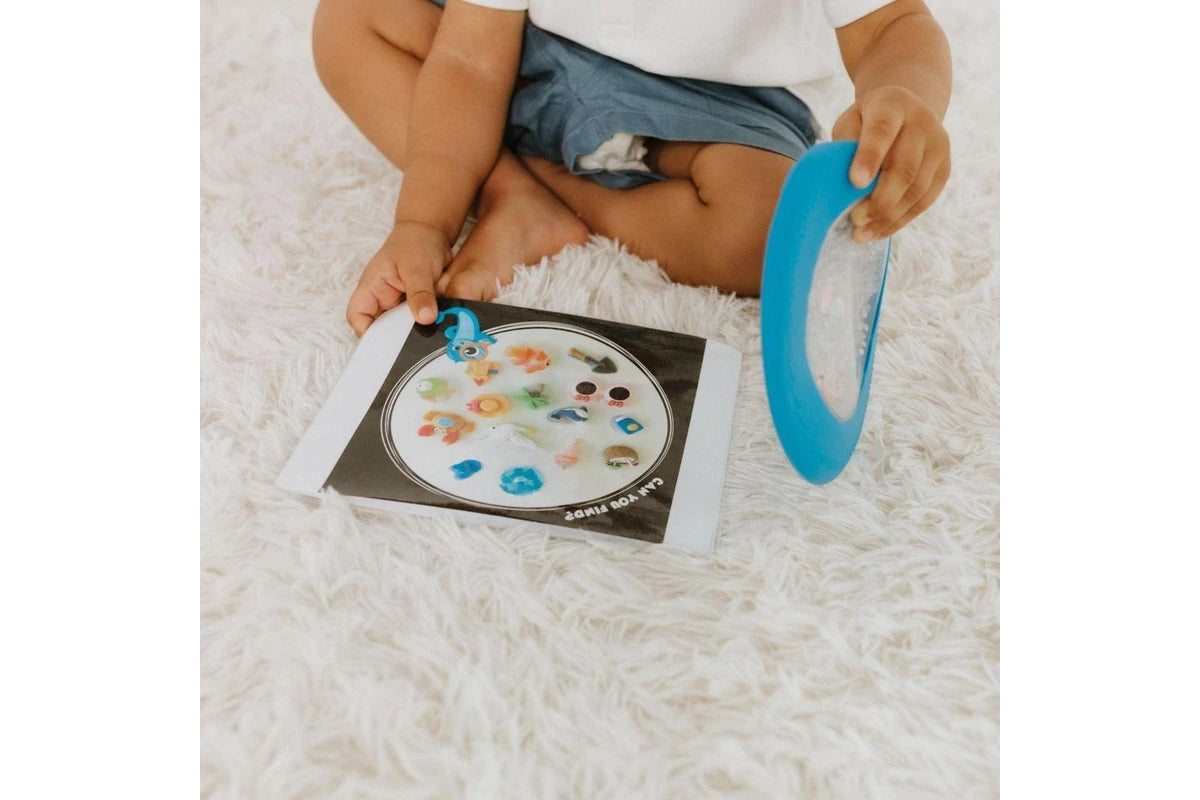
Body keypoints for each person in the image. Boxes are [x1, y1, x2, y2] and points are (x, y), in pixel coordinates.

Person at [312, 0, 951, 335]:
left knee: (768, 230)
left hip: (721, 103)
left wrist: (904, 96)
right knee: (351, 16)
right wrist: (424, 222)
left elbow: (893, 23)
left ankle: (546, 190)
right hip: (533, 62)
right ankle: (513, 194)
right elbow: (471, 62)